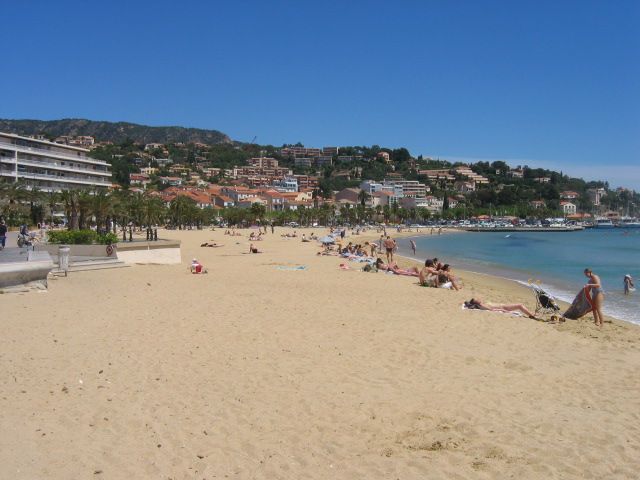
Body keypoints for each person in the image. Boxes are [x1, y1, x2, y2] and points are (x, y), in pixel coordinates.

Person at [464, 297, 538, 319]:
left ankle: (531, 314)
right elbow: (492, 310)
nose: (478, 298)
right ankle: (531, 315)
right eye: (476, 299)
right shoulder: (482, 306)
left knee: (519, 306)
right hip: (504, 307)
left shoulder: (482, 304)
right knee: (520, 305)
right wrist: (502, 310)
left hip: (503, 305)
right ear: (476, 302)